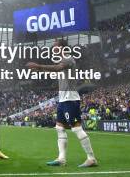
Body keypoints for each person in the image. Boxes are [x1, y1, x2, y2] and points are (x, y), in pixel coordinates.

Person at [26, 40, 97, 168]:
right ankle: (61, 158)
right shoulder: (63, 61)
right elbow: (55, 71)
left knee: (76, 128)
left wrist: (39, 66)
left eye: (55, 46)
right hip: (63, 100)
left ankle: (91, 158)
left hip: (70, 99)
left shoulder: (69, 59)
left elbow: (57, 68)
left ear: (61, 47)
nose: (53, 48)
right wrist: (39, 71)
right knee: (59, 128)